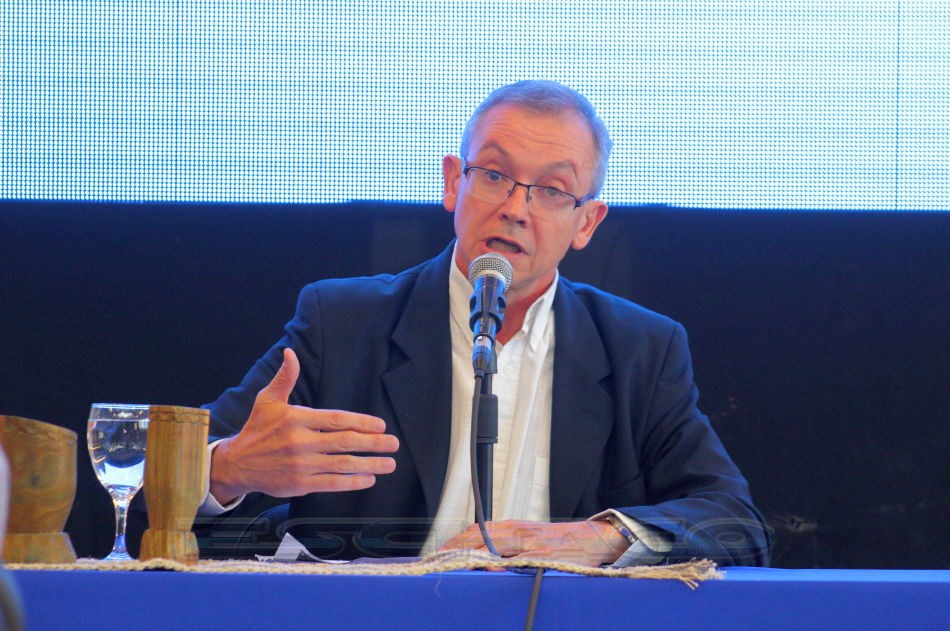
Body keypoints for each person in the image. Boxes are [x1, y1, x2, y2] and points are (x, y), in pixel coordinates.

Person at [201, 80, 771, 567]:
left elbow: (734, 524)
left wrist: (597, 537)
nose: (515, 209)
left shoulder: (638, 348)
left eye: (552, 190)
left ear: (587, 223)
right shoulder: (344, 322)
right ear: (454, 182)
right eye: (494, 175)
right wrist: (227, 468)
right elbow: (171, 468)